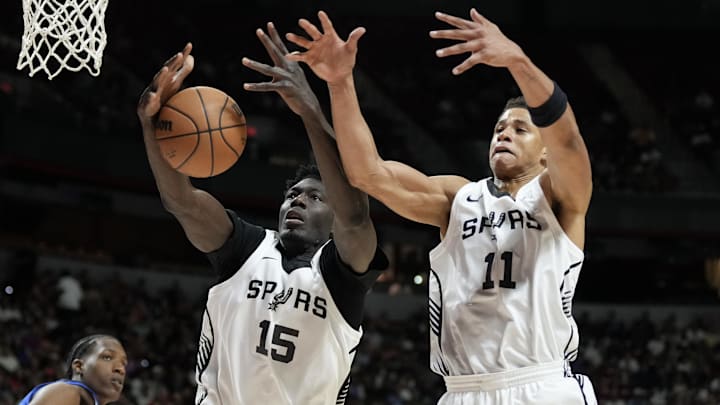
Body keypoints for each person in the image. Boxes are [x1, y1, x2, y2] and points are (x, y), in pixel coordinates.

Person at [286, 9, 598, 404]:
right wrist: (340, 82)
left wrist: (517, 61)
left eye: (521, 129)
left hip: (542, 385)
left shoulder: (561, 198)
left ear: (545, 154)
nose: (504, 134)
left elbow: (569, 141)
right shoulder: (458, 199)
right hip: (463, 391)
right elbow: (369, 173)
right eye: (499, 128)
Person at [136, 23, 387, 405]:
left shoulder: (342, 275)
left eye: (315, 197)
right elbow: (182, 202)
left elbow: (355, 214)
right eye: (292, 195)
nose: (297, 201)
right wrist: (153, 123)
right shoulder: (245, 247)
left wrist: (309, 111)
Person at [18, 334, 127, 405]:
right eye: (107, 357)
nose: (121, 369)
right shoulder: (68, 391)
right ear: (79, 366)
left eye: (124, 364)